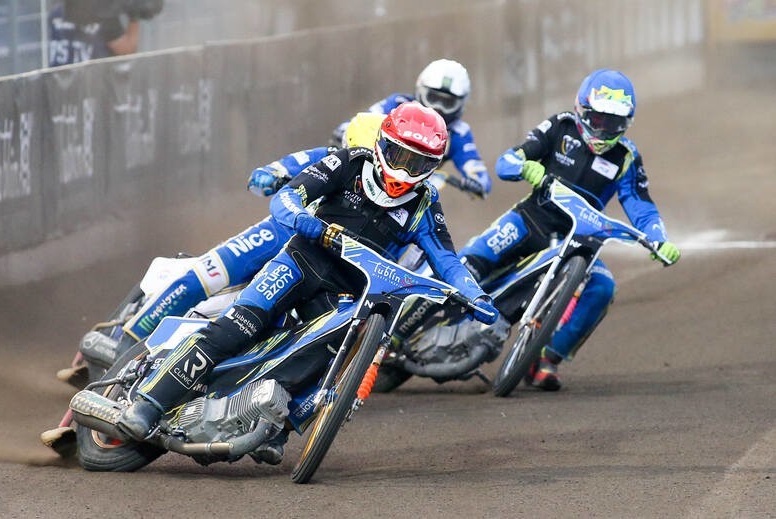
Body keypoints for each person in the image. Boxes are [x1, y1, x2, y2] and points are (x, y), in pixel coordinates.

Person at [116, 102, 499, 464]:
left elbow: (447, 259)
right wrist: (303, 219)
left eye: (419, 164)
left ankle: (271, 425)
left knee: (326, 358)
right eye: (401, 157)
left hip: (346, 291)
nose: (405, 171)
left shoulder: (425, 203)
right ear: (383, 145)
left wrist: (474, 293)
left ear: (433, 166)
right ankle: (148, 402)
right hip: (301, 261)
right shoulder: (347, 162)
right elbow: (287, 197)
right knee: (237, 326)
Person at [62, 112, 388, 384]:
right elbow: (278, 169)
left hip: (323, 265)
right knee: (199, 279)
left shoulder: (400, 201)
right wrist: (269, 175)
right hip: (277, 236)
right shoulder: (329, 159)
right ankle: (121, 349)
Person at [458, 69, 681, 391]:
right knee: (468, 264)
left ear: (626, 123)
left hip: (579, 241)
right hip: (530, 220)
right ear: (581, 109)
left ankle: (547, 358)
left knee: (603, 288)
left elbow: (640, 204)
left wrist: (659, 238)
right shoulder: (560, 126)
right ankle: (402, 326)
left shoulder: (626, 156)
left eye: (613, 123)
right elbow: (507, 161)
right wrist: (524, 167)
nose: (604, 129)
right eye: (598, 119)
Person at [333, 59, 492, 196]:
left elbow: (475, 167)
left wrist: (478, 182)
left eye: (447, 103)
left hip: (413, 189)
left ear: (460, 104)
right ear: (421, 90)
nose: (439, 108)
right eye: (434, 98)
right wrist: (346, 129)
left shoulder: (458, 132)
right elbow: (361, 120)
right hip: (367, 170)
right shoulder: (398, 104)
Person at [48, 0, 163, 67]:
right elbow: (126, 50)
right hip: (91, 84)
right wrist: (134, 17)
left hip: (58, 84)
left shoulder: (59, 10)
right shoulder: (104, 15)